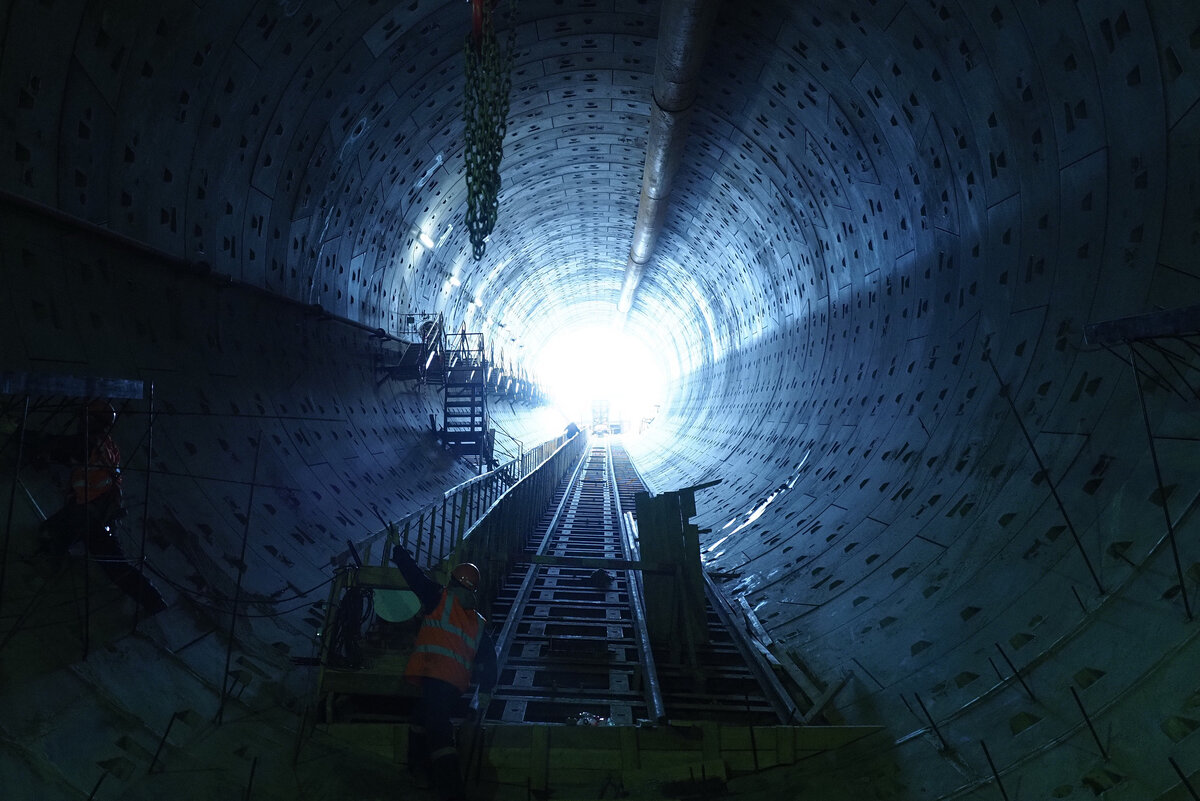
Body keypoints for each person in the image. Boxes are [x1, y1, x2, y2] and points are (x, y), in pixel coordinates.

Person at [34, 399, 166, 614]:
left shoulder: (91, 443)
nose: (81, 420)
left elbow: (62, 448)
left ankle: (41, 582)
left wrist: (32, 443)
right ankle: (154, 600)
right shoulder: (108, 448)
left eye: (86, 416)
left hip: (85, 512)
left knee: (51, 535)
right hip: (101, 515)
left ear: (93, 420)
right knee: (114, 565)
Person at [391, 543, 497, 801]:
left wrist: (399, 551)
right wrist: (485, 691)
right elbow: (489, 661)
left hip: (435, 678)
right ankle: (420, 773)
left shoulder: (439, 599)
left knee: (438, 732)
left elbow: (415, 577)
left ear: (453, 581)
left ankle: (452, 792)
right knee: (419, 720)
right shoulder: (478, 622)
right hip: (453, 685)